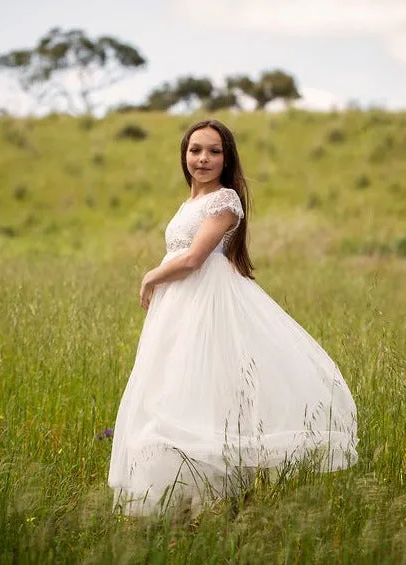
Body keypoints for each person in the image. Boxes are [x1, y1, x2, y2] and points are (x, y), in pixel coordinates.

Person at [108, 119, 358, 516]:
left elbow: (192, 259)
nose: (203, 159)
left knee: (205, 395)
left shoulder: (225, 201)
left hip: (207, 306)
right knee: (171, 392)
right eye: (195, 150)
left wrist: (149, 276)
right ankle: (178, 504)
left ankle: (213, 502)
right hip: (178, 310)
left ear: (227, 158)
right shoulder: (188, 203)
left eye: (213, 151)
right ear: (184, 155)